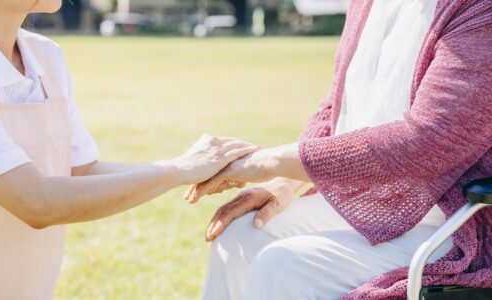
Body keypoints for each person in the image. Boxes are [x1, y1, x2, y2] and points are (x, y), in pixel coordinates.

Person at [187, 0, 492, 299]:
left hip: (455, 224)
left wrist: (271, 162)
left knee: (284, 267)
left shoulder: (480, 9)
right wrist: (284, 182)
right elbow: (337, 104)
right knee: (239, 236)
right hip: (369, 202)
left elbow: (426, 141)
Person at [0, 1, 258, 299]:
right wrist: (178, 170)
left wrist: (188, 168)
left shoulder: (46, 56)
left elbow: (81, 172)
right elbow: (36, 201)